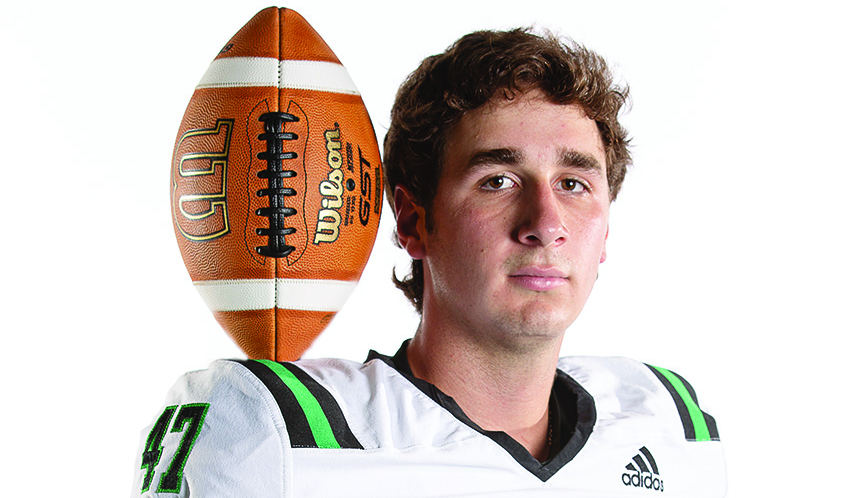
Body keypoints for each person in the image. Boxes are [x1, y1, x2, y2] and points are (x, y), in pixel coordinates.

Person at [133, 28, 725, 497]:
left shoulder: (667, 423)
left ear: (606, 227)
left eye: (574, 183)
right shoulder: (284, 434)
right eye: (497, 180)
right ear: (414, 222)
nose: (546, 223)